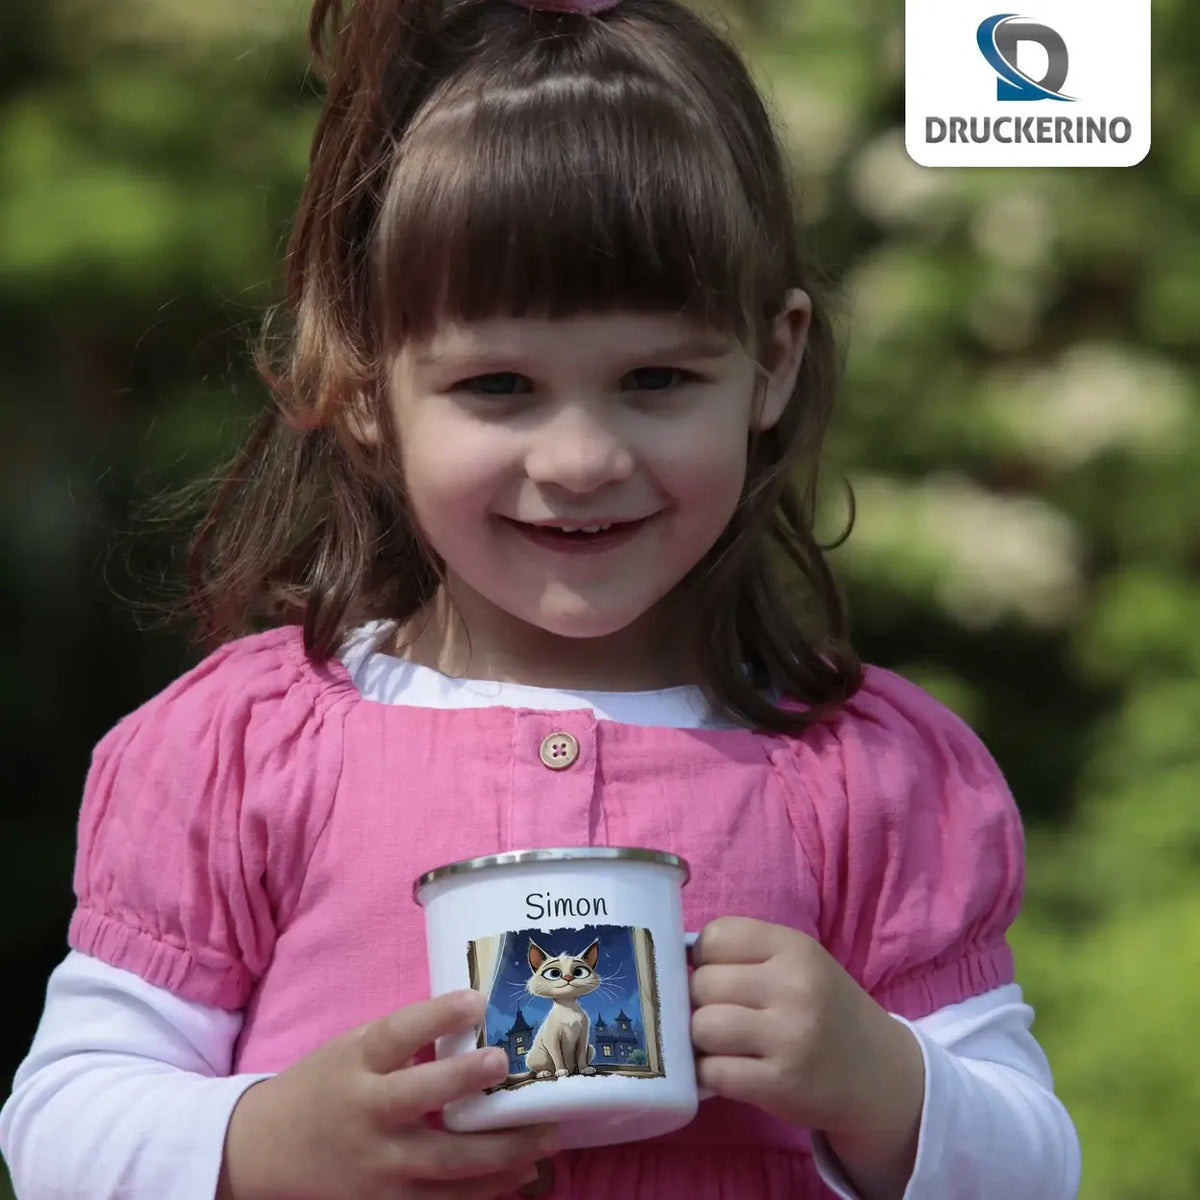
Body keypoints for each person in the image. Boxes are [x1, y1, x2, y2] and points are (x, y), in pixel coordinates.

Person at [0, 0, 1082, 1196]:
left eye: (657, 378)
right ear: (363, 379)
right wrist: (269, 1143)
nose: (580, 459)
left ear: (772, 363)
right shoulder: (243, 751)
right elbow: (60, 1121)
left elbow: (1033, 1163)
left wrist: (884, 1083)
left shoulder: (871, 780)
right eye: (500, 384)